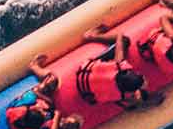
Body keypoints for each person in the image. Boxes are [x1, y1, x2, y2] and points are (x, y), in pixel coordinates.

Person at [30, 33, 158, 110]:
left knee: (124, 40)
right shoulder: (125, 95)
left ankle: (92, 36)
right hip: (87, 93)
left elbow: (119, 37)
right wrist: (148, 98)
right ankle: (91, 36)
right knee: (124, 43)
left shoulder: (119, 65)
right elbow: (134, 103)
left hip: (83, 73)